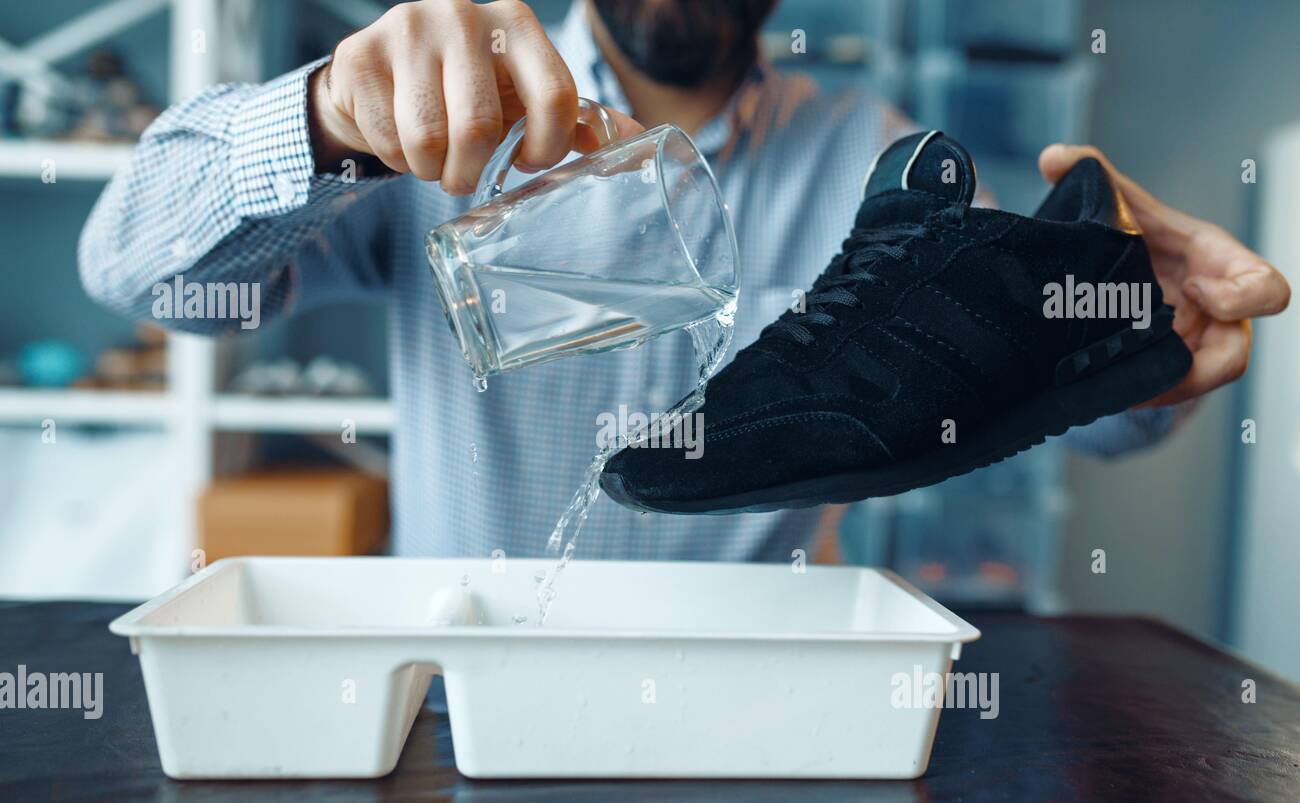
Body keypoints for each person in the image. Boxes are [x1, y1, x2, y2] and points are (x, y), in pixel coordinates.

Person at [79, 0, 1289, 564]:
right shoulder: (435, 109)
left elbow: (1073, 419)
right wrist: (321, 119)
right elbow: (144, 279)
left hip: (754, 720)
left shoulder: (870, 145)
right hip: (467, 704)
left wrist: (1132, 326)